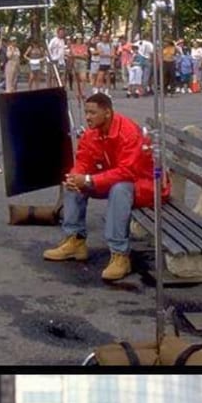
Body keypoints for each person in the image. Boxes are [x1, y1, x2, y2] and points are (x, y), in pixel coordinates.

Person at [43, 92, 167, 282]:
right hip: (115, 180)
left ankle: (120, 254)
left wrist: (89, 180)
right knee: (72, 182)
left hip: (145, 185)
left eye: (92, 113)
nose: (87, 117)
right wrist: (76, 177)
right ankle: (75, 239)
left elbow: (127, 172)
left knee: (119, 189)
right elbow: (83, 159)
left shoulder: (128, 132)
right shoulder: (92, 132)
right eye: (86, 112)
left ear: (107, 113)